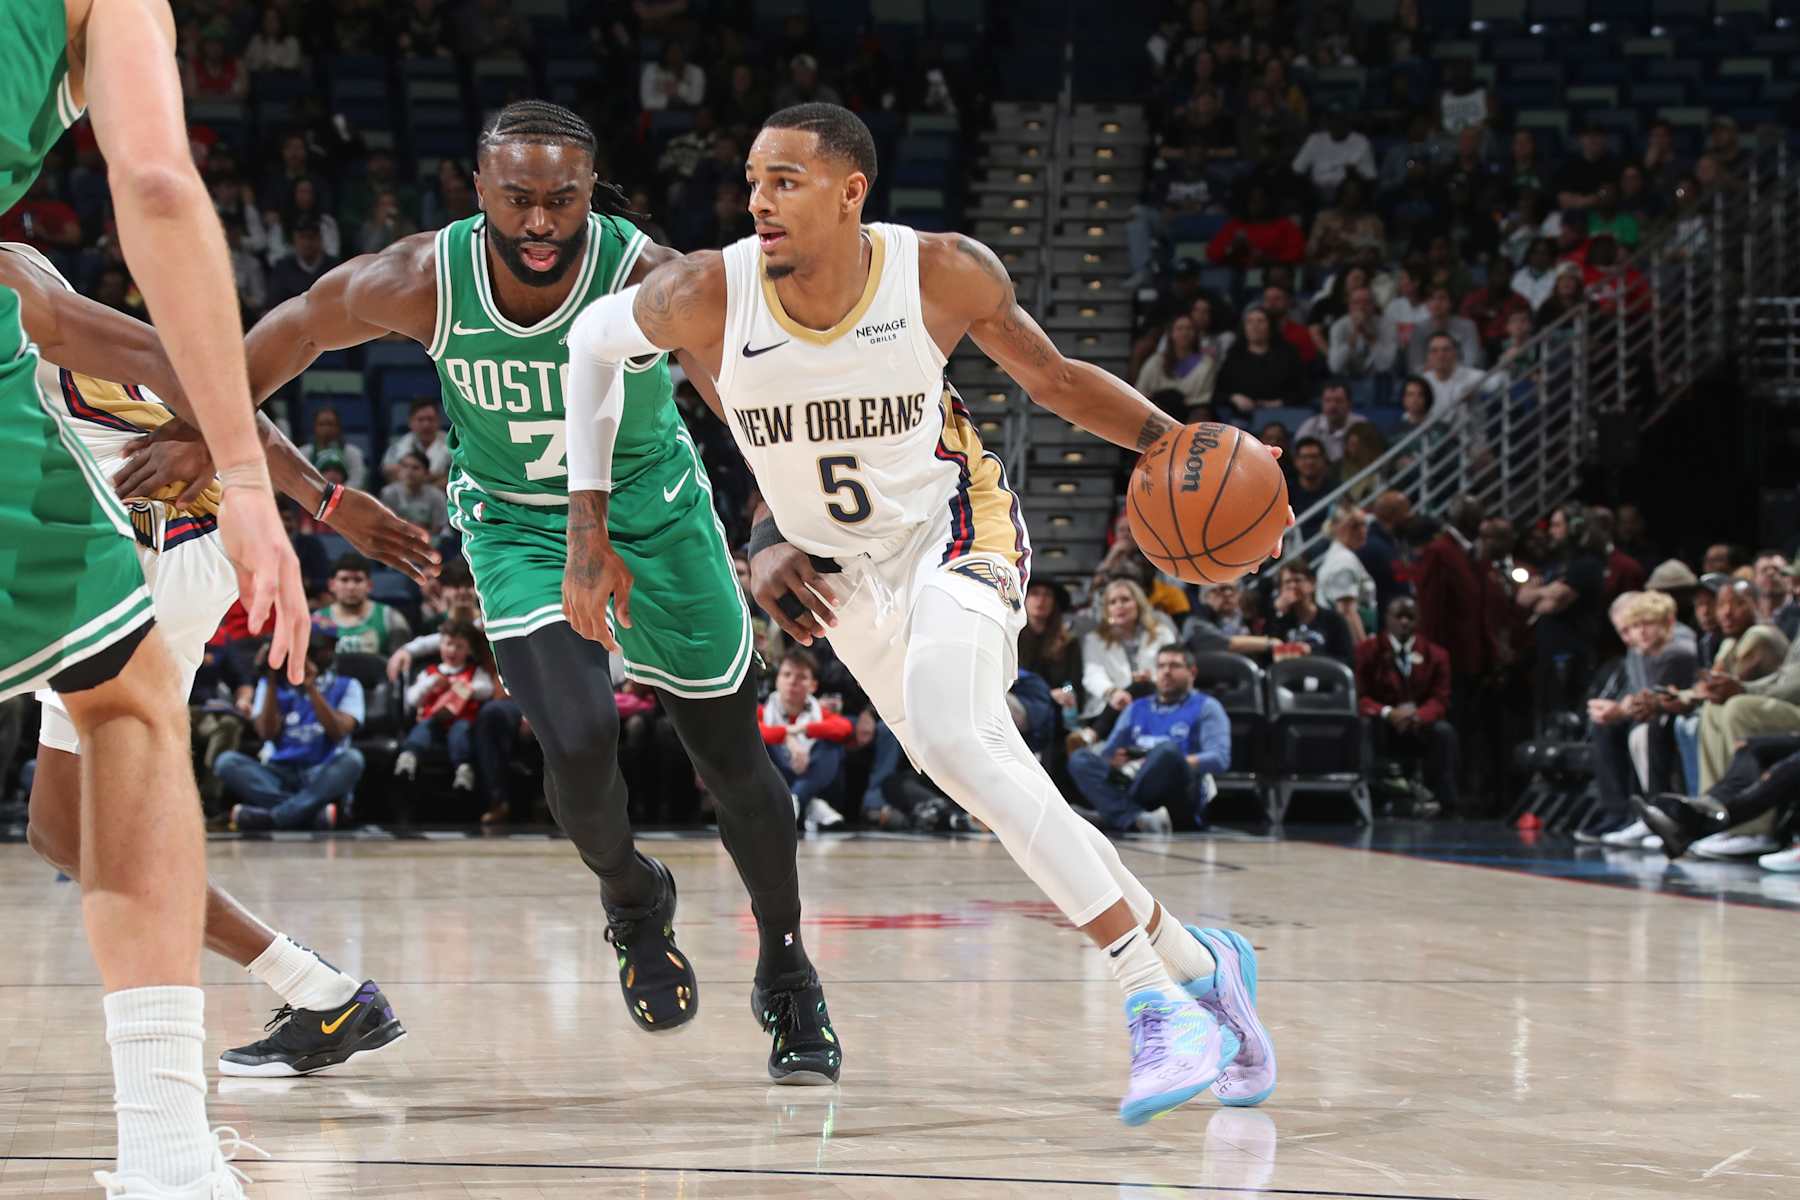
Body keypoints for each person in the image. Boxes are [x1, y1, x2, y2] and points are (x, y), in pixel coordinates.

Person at [563, 102, 1280, 1122]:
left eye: (788, 180)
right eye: (754, 179)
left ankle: (1153, 1000)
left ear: (852, 191)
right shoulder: (706, 294)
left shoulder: (938, 271)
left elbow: (1057, 378)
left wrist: (1187, 445)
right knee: (979, 773)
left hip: (954, 527)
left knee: (959, 733)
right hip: (842, 580)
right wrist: (597, 529)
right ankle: (1201, 960)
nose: (760, 198)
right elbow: (591, 352)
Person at [136, 100, 841, 1083]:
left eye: (562, 199)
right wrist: (208, 423)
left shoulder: (645, 274)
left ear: (592, 193)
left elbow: (745, 396)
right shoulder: (427, 277)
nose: (541, 223)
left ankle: (786, 965)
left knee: (731, 762)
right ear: (480, 191)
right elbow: (297, 329)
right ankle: (634, 900)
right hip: (515, 523)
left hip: (655, 515)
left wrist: (769, 528)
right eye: (518, 199)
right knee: (580, 741)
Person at [0, 3, 312, 1194]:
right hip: (169, 536)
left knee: (64, 810)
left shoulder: (34, 287)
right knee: (124, 714)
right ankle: (171, 1151)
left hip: (156, 531)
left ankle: (303, 992)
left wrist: (304, 492)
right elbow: (160, 188)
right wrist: (261, 480)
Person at [1068, 645, 1230, 834]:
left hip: (1178, 788)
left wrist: (1171, 761)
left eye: (1174, 666)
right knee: (1080, 758)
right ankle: (1135, 818)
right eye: (1161, 666)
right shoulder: (1137, 707)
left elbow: (1220, 759)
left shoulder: (1207, 707)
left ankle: (1113, 815)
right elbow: (1107, 755)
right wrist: (1116, 760)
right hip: (1134, 777)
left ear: (1192, 672)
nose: (1166, 672)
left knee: (1166, 752)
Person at [215, 628, 364, 832]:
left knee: (353, 760)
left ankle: (275, 818)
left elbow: (338, 732)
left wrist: (311, 688)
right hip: (278, 773)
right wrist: (272, 678)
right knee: (227, 762)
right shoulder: (271, 685)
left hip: (321, 771)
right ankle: (310, 814)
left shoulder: (347, 685)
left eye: (314, 650)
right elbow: (266, 733)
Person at [1356, 597, 1457, 812]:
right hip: (1382, 724)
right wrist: (1388, 712)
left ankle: (1443, 800)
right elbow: (1359, 695)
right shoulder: (1367, 650)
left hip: (1418, 725)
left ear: (1418, 620)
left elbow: (1441, 699)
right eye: (1398, 616)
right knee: (1364, 726)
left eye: (1410, 617)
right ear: (1387, 619)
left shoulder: (1437, 655)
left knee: (1444, 732)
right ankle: (1371, 798)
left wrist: (1418, 715)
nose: (1404, 622)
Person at [395, 619, 494, 793]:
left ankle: (463, 768)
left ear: (469, 649)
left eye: (459, 646)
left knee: (460, 732)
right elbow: (412, 698)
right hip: (434, 720)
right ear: (440, 645)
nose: (452, 651)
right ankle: (409, 757)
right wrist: (430, 684)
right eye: (448, 644)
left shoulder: (473, 672)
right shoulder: (431, 672)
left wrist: (469, 688)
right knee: (423, 728)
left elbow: (487, 689)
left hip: (461, 720)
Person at [758, 648, 852, 830]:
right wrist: (787, 736)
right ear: (777, 680)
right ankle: (808, 804)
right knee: (759, 742)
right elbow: (759, 731)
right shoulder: (763, 710)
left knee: (831, 744)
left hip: (811, 772)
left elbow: (845, 728)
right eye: (786, 674)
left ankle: (797, 799)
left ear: (813, 686)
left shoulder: (819, 711)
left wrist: (803, 729)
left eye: (801, 677)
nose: (792, 681)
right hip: (778, 775)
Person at [1081, 579, 1179, 729]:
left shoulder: (1162, 634)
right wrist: (1112, 692)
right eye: (1112, 602)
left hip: (1155, 696)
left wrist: (1152, 678)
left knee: (1142, 687)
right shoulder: (1094, 639)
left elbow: (1175, 666)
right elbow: (1092, 675)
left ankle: (1093, 734)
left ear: (1138, 604)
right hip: (1112, 703)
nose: (1119, 606)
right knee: (1125, 698)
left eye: (1125, 600)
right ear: (1107, 610)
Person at [316, 553, 413, 656]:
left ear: (369, 585)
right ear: (332, 585)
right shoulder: (317, 620)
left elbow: (400, 665)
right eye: (344, 580)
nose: (351, 587)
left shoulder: (390, 618)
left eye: (358, 580)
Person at [1269, 560, 1355, 662]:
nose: (1292, 586)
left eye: (1297, 580)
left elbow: (1346, 659)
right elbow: (1268, 657)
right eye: (1287, 582)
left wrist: (1311, 653)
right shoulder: (1281, 621)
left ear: (1312, 583)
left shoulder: (1334, 620)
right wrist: (1278, 613)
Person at [1318, 502, 1376, 643]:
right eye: (1355, 526)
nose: (1362, 531)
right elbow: (1347, 612)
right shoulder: (1343, 560)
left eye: (1364, 524)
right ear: (1337, 527)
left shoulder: (1339, 553)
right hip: (1348, 641)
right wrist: (1363, 650)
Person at [1294, 380, 1370, 465]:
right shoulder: (1309, 426)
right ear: (1322, 403)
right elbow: (1300, 458)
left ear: (1349, 403)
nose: (1333, 405)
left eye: (1338, 401)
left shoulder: (1361, 425)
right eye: (1328, 400)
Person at [381, 397, 453, 484]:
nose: (426, 425)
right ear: (410, 422)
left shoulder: (452, 445)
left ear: (438, 421)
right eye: (420, 420)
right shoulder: (398, 446)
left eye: (430, 419)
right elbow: (388, 471)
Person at [379, 449, 450, 535]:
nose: (409, 472)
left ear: (426, 473)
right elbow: (387, 526)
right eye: (405, 466)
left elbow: (438, 528)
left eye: (415, 468)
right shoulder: (388, 493)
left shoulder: (437, 496)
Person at [299, 405, 369, 490]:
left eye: (330, 424)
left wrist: (336, 495)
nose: (326, 429)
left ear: (338, 427)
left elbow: (357, 482)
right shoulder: (303, 453)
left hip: (346, 498)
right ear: (315, 427)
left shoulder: (353, 453)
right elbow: (301, 482)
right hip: (312, 498)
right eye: (322, 424)